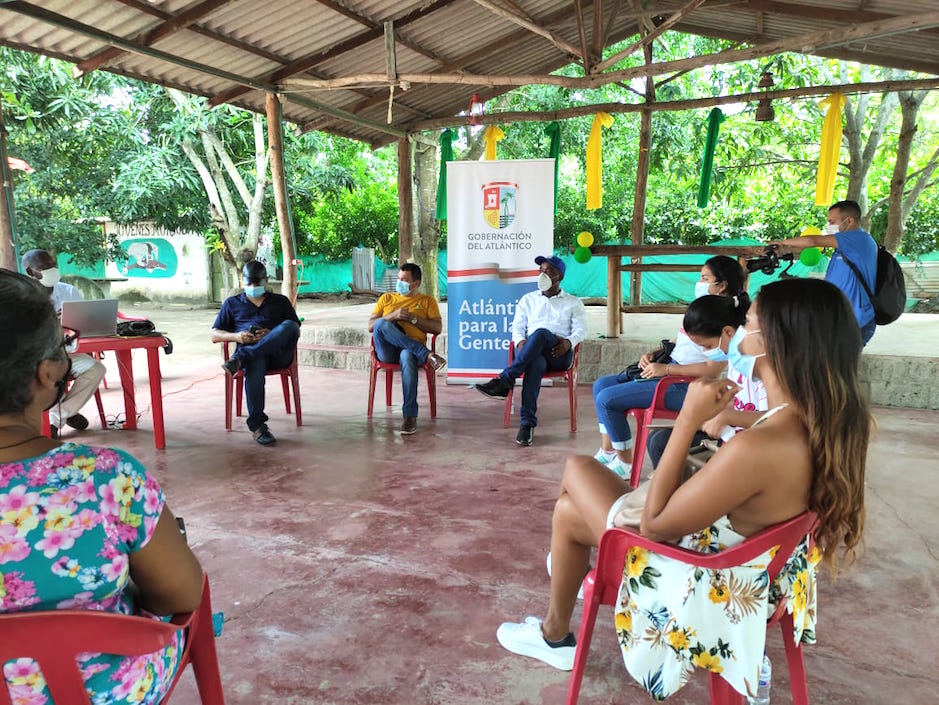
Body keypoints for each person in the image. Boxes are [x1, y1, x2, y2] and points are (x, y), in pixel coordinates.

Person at [496, 278, 869, 700]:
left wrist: (688, 419)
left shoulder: (760, 448)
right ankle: (554, 631)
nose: (739, 331)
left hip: (699, 574)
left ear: (776, 341)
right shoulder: (817, 419)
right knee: (569, 511)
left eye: (747, 322)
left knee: (576, 471)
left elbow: (654, 527)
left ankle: (556, 632)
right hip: (757, 564)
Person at [0, 269, 204, 704]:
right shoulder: (104, 477)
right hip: (102, 691)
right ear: (48, 372)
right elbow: (182, 593)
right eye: (62, 345)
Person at [592, 256, 749, 478]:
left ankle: (625, 463)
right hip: (669, 367)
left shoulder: (724, 322)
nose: (700, 282)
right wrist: (656, 355)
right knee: (602, 385)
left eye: (705, 278)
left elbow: (711, 371)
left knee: (607, 399)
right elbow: (680, 342)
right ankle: (609, 452)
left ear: (722, 285)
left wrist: (665, 371)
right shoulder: (702, 308)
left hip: (682, 382)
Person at [474, 255, 587, 447]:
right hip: (531, 352)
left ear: (559, 276)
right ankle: (527, 424)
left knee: (542, 333)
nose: (543, 274)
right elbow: (517, 329)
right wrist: (521, 345)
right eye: (541, 271)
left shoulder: (573, 302)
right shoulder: (528, 300)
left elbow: (581, 330)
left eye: (549, 271)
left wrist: (568, 343)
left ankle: (505, 381)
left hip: (558, 353)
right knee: (535, 362)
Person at [212, 260, 300, 446]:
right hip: (254, 356)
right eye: (249, 283)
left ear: (266, 281)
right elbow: (214, 335)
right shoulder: (232, 304)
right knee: (256, 360)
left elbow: (293, 329)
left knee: (290, 326)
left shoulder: (280, 301)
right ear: (242, 280)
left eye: (257, 283)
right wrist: (237, 337)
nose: (253, 287)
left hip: (278, 355)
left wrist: (271, 334)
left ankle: (241, 358)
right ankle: (258, 427)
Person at [21, 248, 107, 438]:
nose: (52, 269)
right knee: (47, 376)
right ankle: (67, 413)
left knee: (96, 369)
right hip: (34, 360)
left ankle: (58, 416)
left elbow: (82, 324)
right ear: (30, 272)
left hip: (66, 353)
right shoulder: (22, 297)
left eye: (53, 265)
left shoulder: (69, 291)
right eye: (45, 266)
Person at [771, 199, 877, 344]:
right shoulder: (844, 247)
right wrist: (785, 249)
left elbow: (813, 241)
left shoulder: (858, 239)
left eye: (832, 222)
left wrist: (782, 242)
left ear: (849, 221)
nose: (829, 226)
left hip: (855, 321)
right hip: (840, 319)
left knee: (838, 365)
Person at [368, 263, 446, 435]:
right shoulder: (387, 298)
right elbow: (371, 326)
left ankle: (409, 416)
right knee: (382, 323)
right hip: (387, 351)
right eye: (398, 279)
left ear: (416, 283)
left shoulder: (427, 301)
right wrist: (393, 316)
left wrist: (413, 319)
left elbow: (437, 328)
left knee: (407, 356)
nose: (399, 283)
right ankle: (426, 354)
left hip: (409, 352)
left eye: (404, 280)